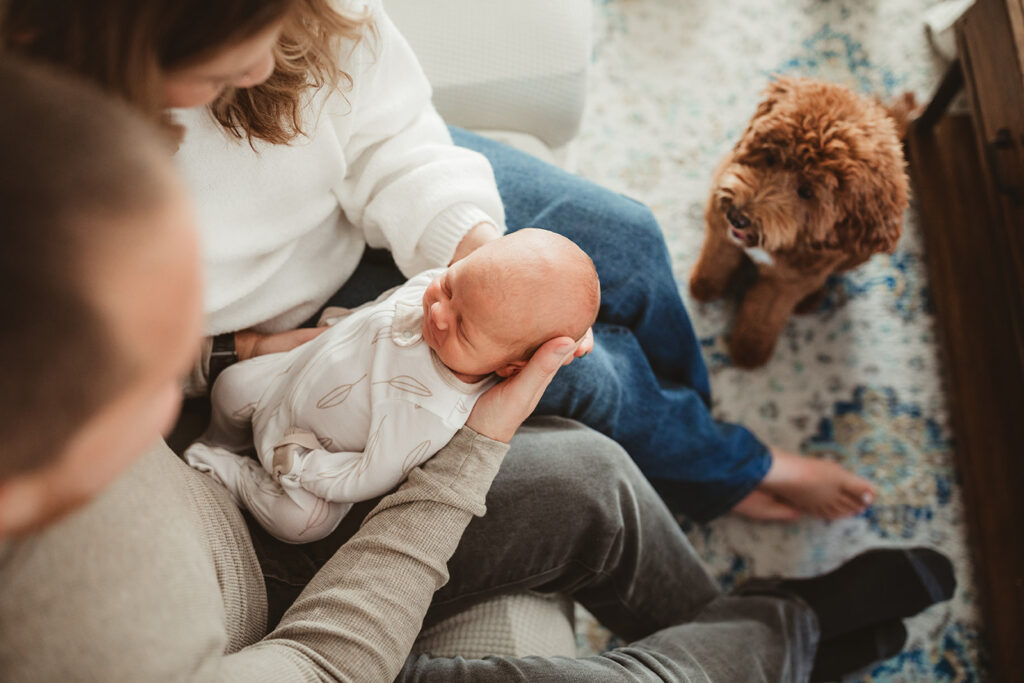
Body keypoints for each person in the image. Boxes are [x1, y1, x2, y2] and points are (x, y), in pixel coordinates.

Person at [0, 57, 957, 682]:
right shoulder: (82, 648)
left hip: (251, 455)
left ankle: (754, 609)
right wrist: (480, 434)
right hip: (287, 614)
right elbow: (329, 660)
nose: (177, 384)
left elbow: (370, 104)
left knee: (597, 461)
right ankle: (786, 631)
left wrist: (247, 354)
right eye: (147, 378)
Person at [1, 0, 874, 523]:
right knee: (587, 370)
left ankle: (689, 420)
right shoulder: (76, 176)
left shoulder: (300, 24)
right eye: (229, 69)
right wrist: (300, 343)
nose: (269, 63)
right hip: (297, 318)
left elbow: (385, 125)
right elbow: (139, 357)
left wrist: (474, 248)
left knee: (630, 240)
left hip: (389, 182)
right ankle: (726, 466)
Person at [186, 229, 600, 543]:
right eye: (451, 286)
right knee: (232, 385)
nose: (438, 311)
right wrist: (339, 325)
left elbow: (368, 475)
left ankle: (229, 470)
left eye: (463, 328)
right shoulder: (444, 291)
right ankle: (220, 438)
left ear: (510, 368)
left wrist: (303, 469)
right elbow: (380, 306)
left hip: (307, 454)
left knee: (302, 524)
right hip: (283, 381)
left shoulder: (429, 412)